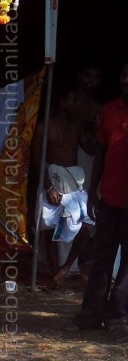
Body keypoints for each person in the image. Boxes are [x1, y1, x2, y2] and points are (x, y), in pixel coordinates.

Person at [73, 62, 128, 340]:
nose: (127, 81)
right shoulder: (109, 110)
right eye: (124, 75)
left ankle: (117, 316)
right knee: (101, 258)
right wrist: (93, 190)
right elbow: (101, 153)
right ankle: (91, 313)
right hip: (109, 198)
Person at [31, 87, 96, 285]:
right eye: (73, 100)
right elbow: (36, 159)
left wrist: (97, 129)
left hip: (73, 183)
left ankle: (65, 268)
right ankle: (54, 274)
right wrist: (49, 186)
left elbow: (90, 148)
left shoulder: (77, 126)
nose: (77, 105)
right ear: (61, 102)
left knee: (85, 227)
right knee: (49, 227)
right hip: (52, 180)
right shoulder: (45, 126)